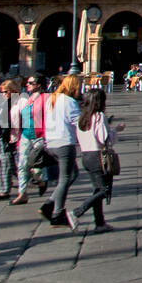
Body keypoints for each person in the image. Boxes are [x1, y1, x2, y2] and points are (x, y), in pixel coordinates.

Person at [68, 88, 124, 232]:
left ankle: (100, 223)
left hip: (86, 156)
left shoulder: (83, 117)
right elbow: (104, 139)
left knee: (97, 189)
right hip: (98, 156)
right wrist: (116, 130)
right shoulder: (99, 116)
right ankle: (76, 212)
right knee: (104, 190)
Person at [40, 74, 82, 228]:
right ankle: (57, 213)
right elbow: (78, 122)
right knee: (65, 178)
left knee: (73, 174)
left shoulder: (52, 99)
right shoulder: (69, 101)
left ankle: (49, 204)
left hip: (51, 142)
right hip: (64, 143)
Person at [10, 75, 50, 205]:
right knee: (22, 165)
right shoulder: (27, 99)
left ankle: (42, 180)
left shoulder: (46, 98)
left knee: (36, 168)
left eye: (31, 83)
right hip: (25, 135)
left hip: (39, 136)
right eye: (27, 82)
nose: (27, 85)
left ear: (39, 85)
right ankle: (22, 193)